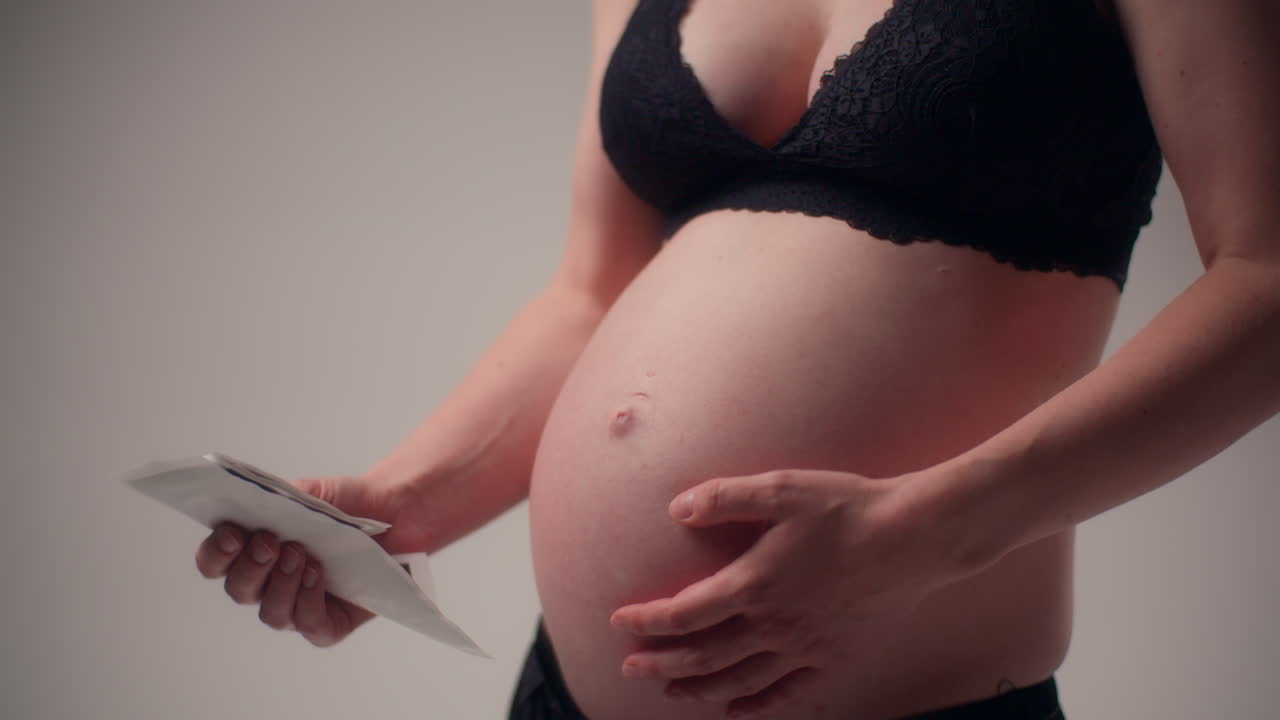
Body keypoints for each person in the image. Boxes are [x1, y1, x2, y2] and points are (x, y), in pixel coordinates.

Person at [193, 0, 1280, 717]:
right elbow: (589, 293)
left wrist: (924, 534)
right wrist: (401, 506)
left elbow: (1266, 283)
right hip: (567, 693)